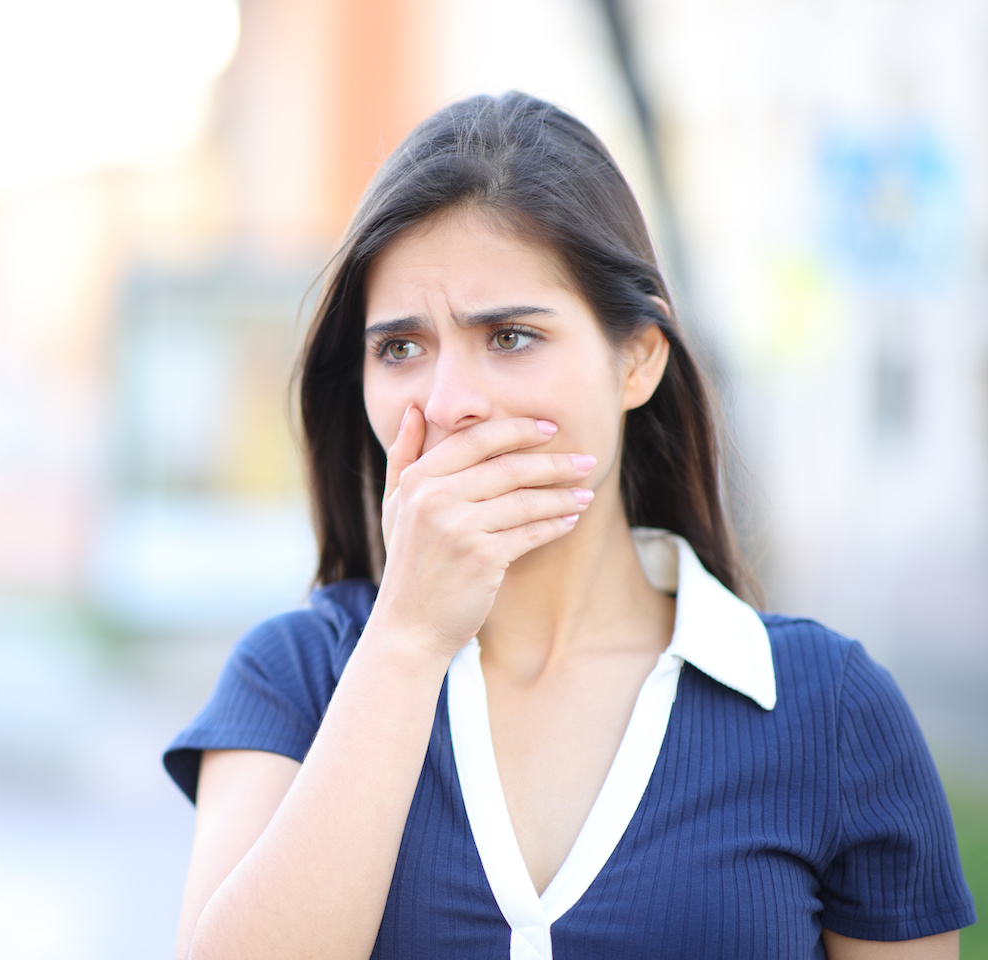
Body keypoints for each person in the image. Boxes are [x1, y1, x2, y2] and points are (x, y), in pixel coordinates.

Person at [162, 92, 976, 960]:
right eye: (400, 349)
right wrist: (405, 641)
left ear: (637, 360)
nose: (448, 406)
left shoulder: (828, 710)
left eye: (509, 337)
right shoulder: (299, 679)